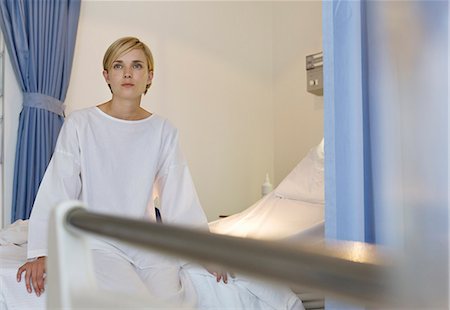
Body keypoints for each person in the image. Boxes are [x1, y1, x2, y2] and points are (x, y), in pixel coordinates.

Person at [16, 37, 228, 304]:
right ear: (106, 75)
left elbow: (179, 196)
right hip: (96, 242)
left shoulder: (162, 130)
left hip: (148, 244)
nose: (127, 73)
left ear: (150, 76)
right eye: (118, 66)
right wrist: (42, 251)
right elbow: (58, 187)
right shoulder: (81, 124)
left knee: (173, 302)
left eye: (137, 65)